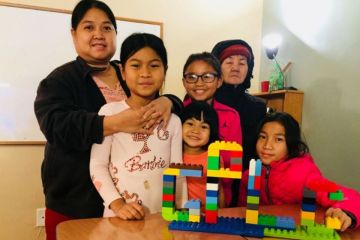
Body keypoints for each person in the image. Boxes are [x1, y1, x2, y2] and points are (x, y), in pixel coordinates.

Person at [34, 1, 182, 239]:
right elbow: (56, 126)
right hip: (76, 202)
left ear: (115, 33)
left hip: (139, 207)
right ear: (74, 34)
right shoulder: (60, 81)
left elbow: (161, 105)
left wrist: (170, 100)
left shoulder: (130, 72)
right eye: (89, 27)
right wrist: (114, 123)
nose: (98, 35)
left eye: (106, 28)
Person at [90, 33, 187, 220]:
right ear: (123, 72)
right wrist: (118, 205)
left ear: (165, 70)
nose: (145, 73)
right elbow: (97, 165)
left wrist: (182, 211)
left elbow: (178, 172)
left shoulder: (173, 121)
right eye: (135, 65)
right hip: (118, 218)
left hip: (163, 219)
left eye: (154, 65)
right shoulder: (110, 113)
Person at [239, 112, 360, 231]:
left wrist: (345, 211)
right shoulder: (249, 175)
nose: (267, 145)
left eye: (278, 139)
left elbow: (347, 196)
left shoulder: (303, 174)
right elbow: (242, 210)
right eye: (263, 137)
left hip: (300, 231)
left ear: (291, 143)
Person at [182, 52, 242, 206]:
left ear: (219, 81)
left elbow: (233, 164)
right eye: (192, 77)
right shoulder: (177, 112)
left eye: (207, 76)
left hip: (217, 200)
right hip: (181, 199)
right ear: (184, 81)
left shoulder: (231, 115)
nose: (199, 83)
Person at [212, 39, 267, 206]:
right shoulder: (206, 101)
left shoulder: (258, 106)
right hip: (212, 181)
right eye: (228, 62)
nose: (235, 67)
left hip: (247, 184)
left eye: (242, 63)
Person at [180, 101, 224, 210]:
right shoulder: (175, 154)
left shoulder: (213, 157)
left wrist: (222, 212)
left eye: (204, 127)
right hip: (180, 214)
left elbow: (219, 189)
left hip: (208, 214)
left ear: (211, 133)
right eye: (190, 124)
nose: (196, 131)